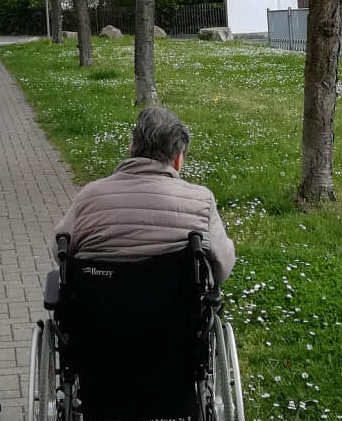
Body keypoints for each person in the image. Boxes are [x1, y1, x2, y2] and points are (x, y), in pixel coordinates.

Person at [53, 107, 235, 287]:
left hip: (97, 312)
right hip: (175, 313)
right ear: (178, 159)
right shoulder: (202, 202)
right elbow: (222, 268)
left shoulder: (88, 196)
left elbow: (59, 251)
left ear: (131, 148)